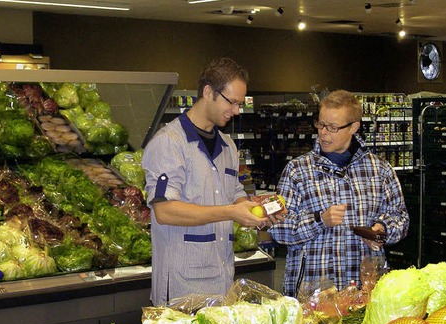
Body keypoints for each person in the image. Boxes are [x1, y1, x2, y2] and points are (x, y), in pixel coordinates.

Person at [142, 57, 282, 306]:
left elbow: (235, 194)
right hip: (181, 291)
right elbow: (164, 211)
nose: (237, 111)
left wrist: (257, 210)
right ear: (208, 92)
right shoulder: (169, 143)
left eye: (240, 103)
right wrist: (231, 211)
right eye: (233, 102)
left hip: (221, 283)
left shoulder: (227, 146)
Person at [268, 89, 409, 297]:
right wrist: (319, 220)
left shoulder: (380, 170)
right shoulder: (297, 170)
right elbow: (277, 227)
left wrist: (381, 230)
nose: (323, 132)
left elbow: (401, 219)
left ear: (354, 127)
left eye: (333, 127)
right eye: (321, 124)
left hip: (365, 294)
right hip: (313, 296)